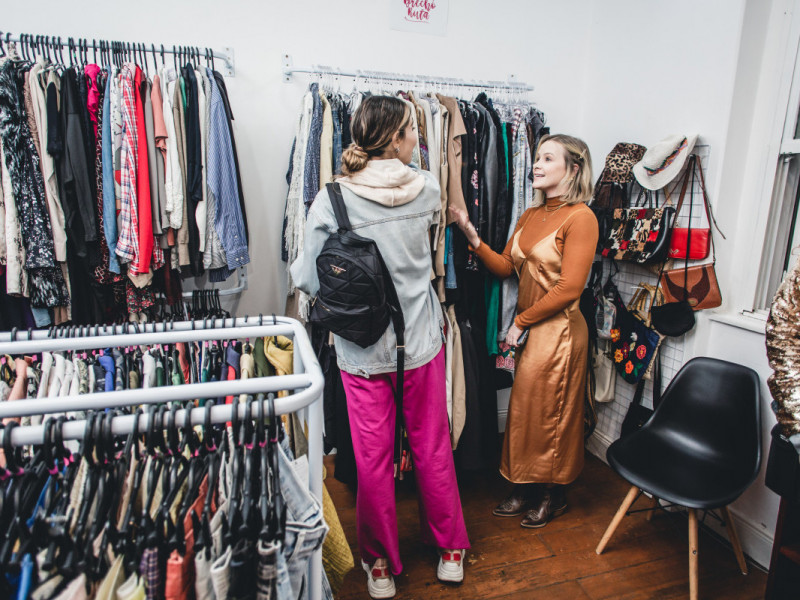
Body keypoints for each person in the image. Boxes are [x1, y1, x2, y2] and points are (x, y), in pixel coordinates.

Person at [291, 95, 469, 599]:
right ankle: (450, 549)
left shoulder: (334, 198)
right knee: (432, 447)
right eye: (413, 131)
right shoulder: (429, 188)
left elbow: (307, 277)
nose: (418, 138)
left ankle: (380, 565)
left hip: (363, 351)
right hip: (421, 341)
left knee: (371, 457)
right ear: (395, 139)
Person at [450, 133, 599, 529]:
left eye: (548, 158)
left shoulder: (581, 217)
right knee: (524, 410)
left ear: (574, 168)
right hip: (533, 329)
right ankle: (524, 482)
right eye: (537, 157)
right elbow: (504, 267)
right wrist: (470, 233)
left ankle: (553, 492)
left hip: (561, 333)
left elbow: (570, 289)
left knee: (555, 414)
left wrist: (519, 321)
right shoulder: (531, 216)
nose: (536, 164)